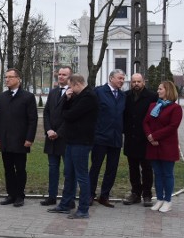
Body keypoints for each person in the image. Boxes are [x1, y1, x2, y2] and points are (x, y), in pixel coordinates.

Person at [48, 74, 99, 219]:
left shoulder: (89, 97)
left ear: (77, 84)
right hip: (71, 140)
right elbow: (66, 111)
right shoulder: (78, 96)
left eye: (70, 86)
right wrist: (67, 99)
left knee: (82, 176)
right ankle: (65, 204)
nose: (69, 89)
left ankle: (83, 209)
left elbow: (69, 115)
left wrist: (67, 105)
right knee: (69, 173)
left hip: (82, 142)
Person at [0, 68, 37, 207]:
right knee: (8, 169)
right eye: (6, 77)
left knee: (20, 169)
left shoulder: (28, 97)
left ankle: (19, 195)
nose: (7, 80)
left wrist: (29, 138)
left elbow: (32, 120)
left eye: (10, 77)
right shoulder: (2, 97)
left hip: (20, 140)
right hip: (5, 140)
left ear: (18, 79)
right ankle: (11, 194)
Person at [89, 69, 127, 207]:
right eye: (119, 78)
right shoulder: (99, 92)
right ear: (111, 78)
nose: (122, 81)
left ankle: (104, 196)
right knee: (95, 168)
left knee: (112, 169)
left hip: (116, 138)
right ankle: (89, 195)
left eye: (123, 79)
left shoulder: (123, 96)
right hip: (100, 137)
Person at [144, 80, 183, 213]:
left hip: (167, 146)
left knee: (167, 174)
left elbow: (172, 127)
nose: (158, 91)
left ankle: (168, 201)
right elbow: (146, 122)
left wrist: (154, 136)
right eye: (158, 89)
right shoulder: (153, 106)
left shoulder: (176, 108)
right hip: (153, 145)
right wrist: (149, 136)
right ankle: (159, 199)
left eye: (160, 89)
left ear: (168, 90)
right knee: (157, 174)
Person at [122, 73, 157, 206]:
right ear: (131, 83)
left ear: (144, 82)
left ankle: (147, 194)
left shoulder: (152, 96)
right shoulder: (126, 96)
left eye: (139, 81)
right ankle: (135, 193)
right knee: (133, 168)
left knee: (147, 168)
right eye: (134, 82)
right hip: (130, 137)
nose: (136, 84)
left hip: (145, 138)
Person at [41, 66, 72, 207]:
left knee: (68, 171)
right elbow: (46, 113)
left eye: (64, 75)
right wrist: (48, 130)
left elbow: (70, 117)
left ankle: (68, 198)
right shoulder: (53, 92)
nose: (61, 77)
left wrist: (58, 132)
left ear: (70, 77)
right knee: (52, 169)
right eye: (59, 74)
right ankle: (51, 196)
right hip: (51, 138)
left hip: (65, 138)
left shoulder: (74, 93)